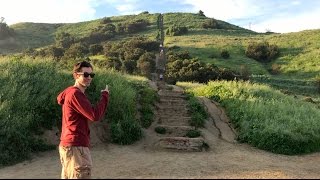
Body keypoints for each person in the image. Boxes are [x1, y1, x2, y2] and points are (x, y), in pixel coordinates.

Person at [57, 60, 109, 179]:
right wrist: (105, 96)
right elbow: (94, 115)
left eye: (91, 75)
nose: (89, 77)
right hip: (76, 146)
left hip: (70, 145)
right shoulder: (75, 94)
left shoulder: (71, 93)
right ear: (76, 75)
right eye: (85, 74)